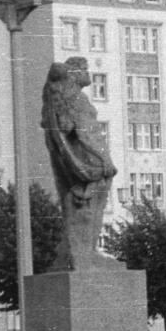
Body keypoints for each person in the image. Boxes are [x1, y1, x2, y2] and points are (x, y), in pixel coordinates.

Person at [41, 56, 119, 272]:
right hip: (88, 160)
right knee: (90, 204)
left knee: (83, 205)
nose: (89, 74)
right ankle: (84, 254)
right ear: (75, 74)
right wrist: (105, 161)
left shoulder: (61, 98)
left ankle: (79, 252)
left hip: (77, 160)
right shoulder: (76, 99)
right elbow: (85, 135)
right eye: (85, 69)